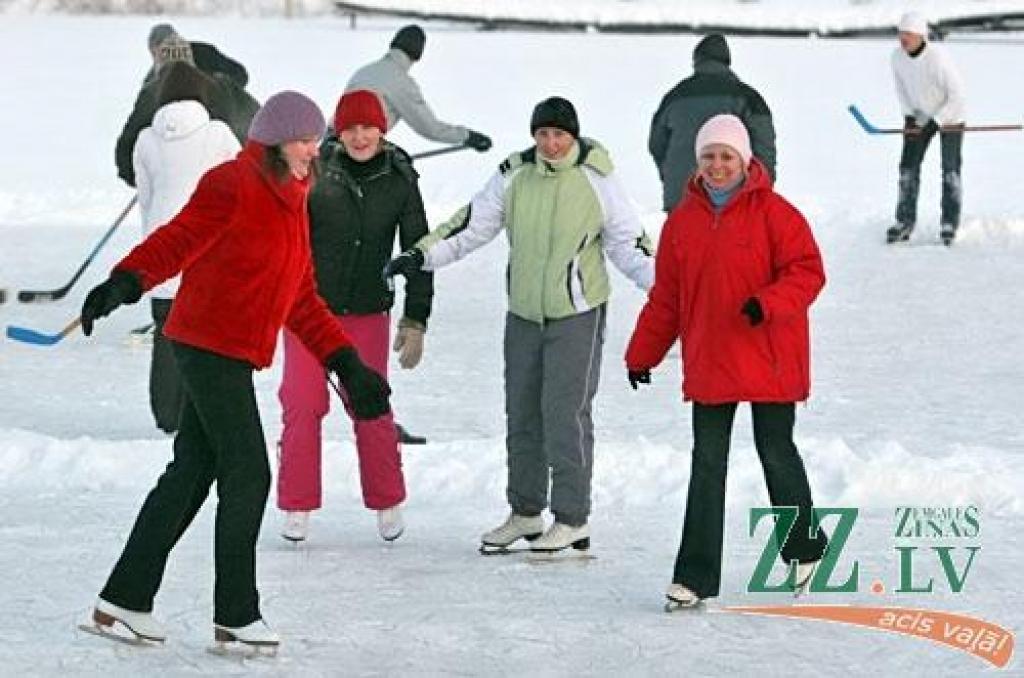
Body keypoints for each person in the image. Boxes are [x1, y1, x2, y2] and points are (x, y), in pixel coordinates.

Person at [79, 91, 391, 649]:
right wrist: (125, 282)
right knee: (248, 473)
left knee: (191, 475)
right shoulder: (233, 183)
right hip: (205, 345)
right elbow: (177, 240)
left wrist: (348, 364)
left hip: (231, 353)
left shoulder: (294, 199)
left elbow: (300, 298)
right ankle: (235, 615)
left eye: (314, 140)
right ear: (272, 142)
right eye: (300, 139)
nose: (310, 149)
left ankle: (123, 600)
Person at [386, 97, 654, 554]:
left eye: (559, 135)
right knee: (523, 413)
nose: (550, 144)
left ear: (574, 136)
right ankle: (526, 512)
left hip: (577, 312)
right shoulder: (514, 174)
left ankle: (572, 517)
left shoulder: (596, 176)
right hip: (525, 314)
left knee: (564, 413)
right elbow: (469, 226)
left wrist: (671, 294)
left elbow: (630, 244)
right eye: (543, 134)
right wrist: (422, 255)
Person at [626, 114, 828, 608]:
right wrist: (642, 352)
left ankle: (804, 549)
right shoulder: (682, 222)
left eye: (726, 157)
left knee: (775, 451)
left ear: (744, 160)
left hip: (769, 354)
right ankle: (694, 577)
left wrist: (769, 302)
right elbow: (667, 299)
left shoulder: (777, 214)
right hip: (712, 357)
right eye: (708, 157)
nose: (717, 166)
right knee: (707, 464)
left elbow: (808, 273)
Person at [276, 90, 433, 543]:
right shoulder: (314, 170)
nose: (360, 136)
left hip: (367, 310)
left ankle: (387, 499)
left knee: (369, 404)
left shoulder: (400, 177)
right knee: (303, 403)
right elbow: (285, 235)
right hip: (309, 310)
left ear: (383, 130)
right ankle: (297, 504)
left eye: (368, 128)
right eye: (350, 129)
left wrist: (415, 318)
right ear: (337, 132)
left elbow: (418, 251)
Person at [132, 61, 242, 434]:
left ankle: (167, 415)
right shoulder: (219, 135)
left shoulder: (146, 139)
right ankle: (201, 414)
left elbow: (145, 200)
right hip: (208, 250)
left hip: (161, 250)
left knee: (166, 332)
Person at [115, 27, 259, 188]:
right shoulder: (221, 87)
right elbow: (257, 123)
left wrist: (145, 176)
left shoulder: (152, 92)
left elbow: (127, 152)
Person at [649, 33, 776, 213]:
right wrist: (763, 187)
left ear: (697, 60)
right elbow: (764, 147)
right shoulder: (747, 98)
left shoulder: (674, 97)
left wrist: (670, 177)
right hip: (735, 198)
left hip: (681, 196)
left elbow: (656, 144)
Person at [346, 24, 492, 153]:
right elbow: (430, 129)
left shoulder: (364, 72)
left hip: (332, 148)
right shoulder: (402, 83)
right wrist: (468, 136)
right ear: (417, 54)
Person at [887, 12, 966, 245]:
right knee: (907, 168)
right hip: (919, 115)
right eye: (901, 33)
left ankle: (949, 223)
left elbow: (958, 95)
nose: (904, 39)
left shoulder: (938, 58)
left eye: (908, 34)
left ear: (921, 35)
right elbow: (901, 89)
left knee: (950, 169)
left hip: (951, 114)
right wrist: (910, 117)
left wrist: (937, 121)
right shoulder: (897, 58)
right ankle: (904, 221)